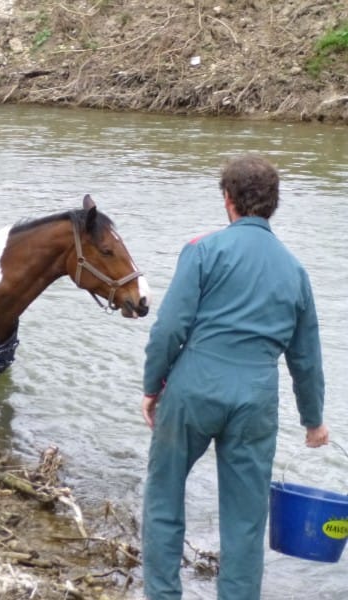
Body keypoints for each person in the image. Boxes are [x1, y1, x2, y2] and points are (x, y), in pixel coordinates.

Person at [140, 154, 330, 600]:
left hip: (193, 389)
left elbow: (169, 328)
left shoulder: (203, 250)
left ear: (227, 199)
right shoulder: (295, 270)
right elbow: (306, 357)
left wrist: (153, 386)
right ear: (273, 205)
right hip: (256, 399)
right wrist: (313, 420)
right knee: (245, 520)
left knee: (165, 497)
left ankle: (163, 595)